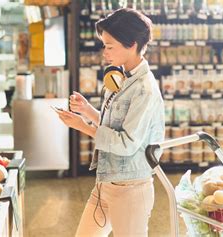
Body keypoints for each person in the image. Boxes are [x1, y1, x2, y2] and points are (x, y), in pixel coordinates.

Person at [56, 8, 165, 237]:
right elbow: (114, 125)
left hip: (131, 190)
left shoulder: (144, 89)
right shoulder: (122, 75)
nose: (104, 52)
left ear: (132, 44)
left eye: (110, 46)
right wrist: (87, 111)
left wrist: (82, 126)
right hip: (105, 183)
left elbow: (126, 143)